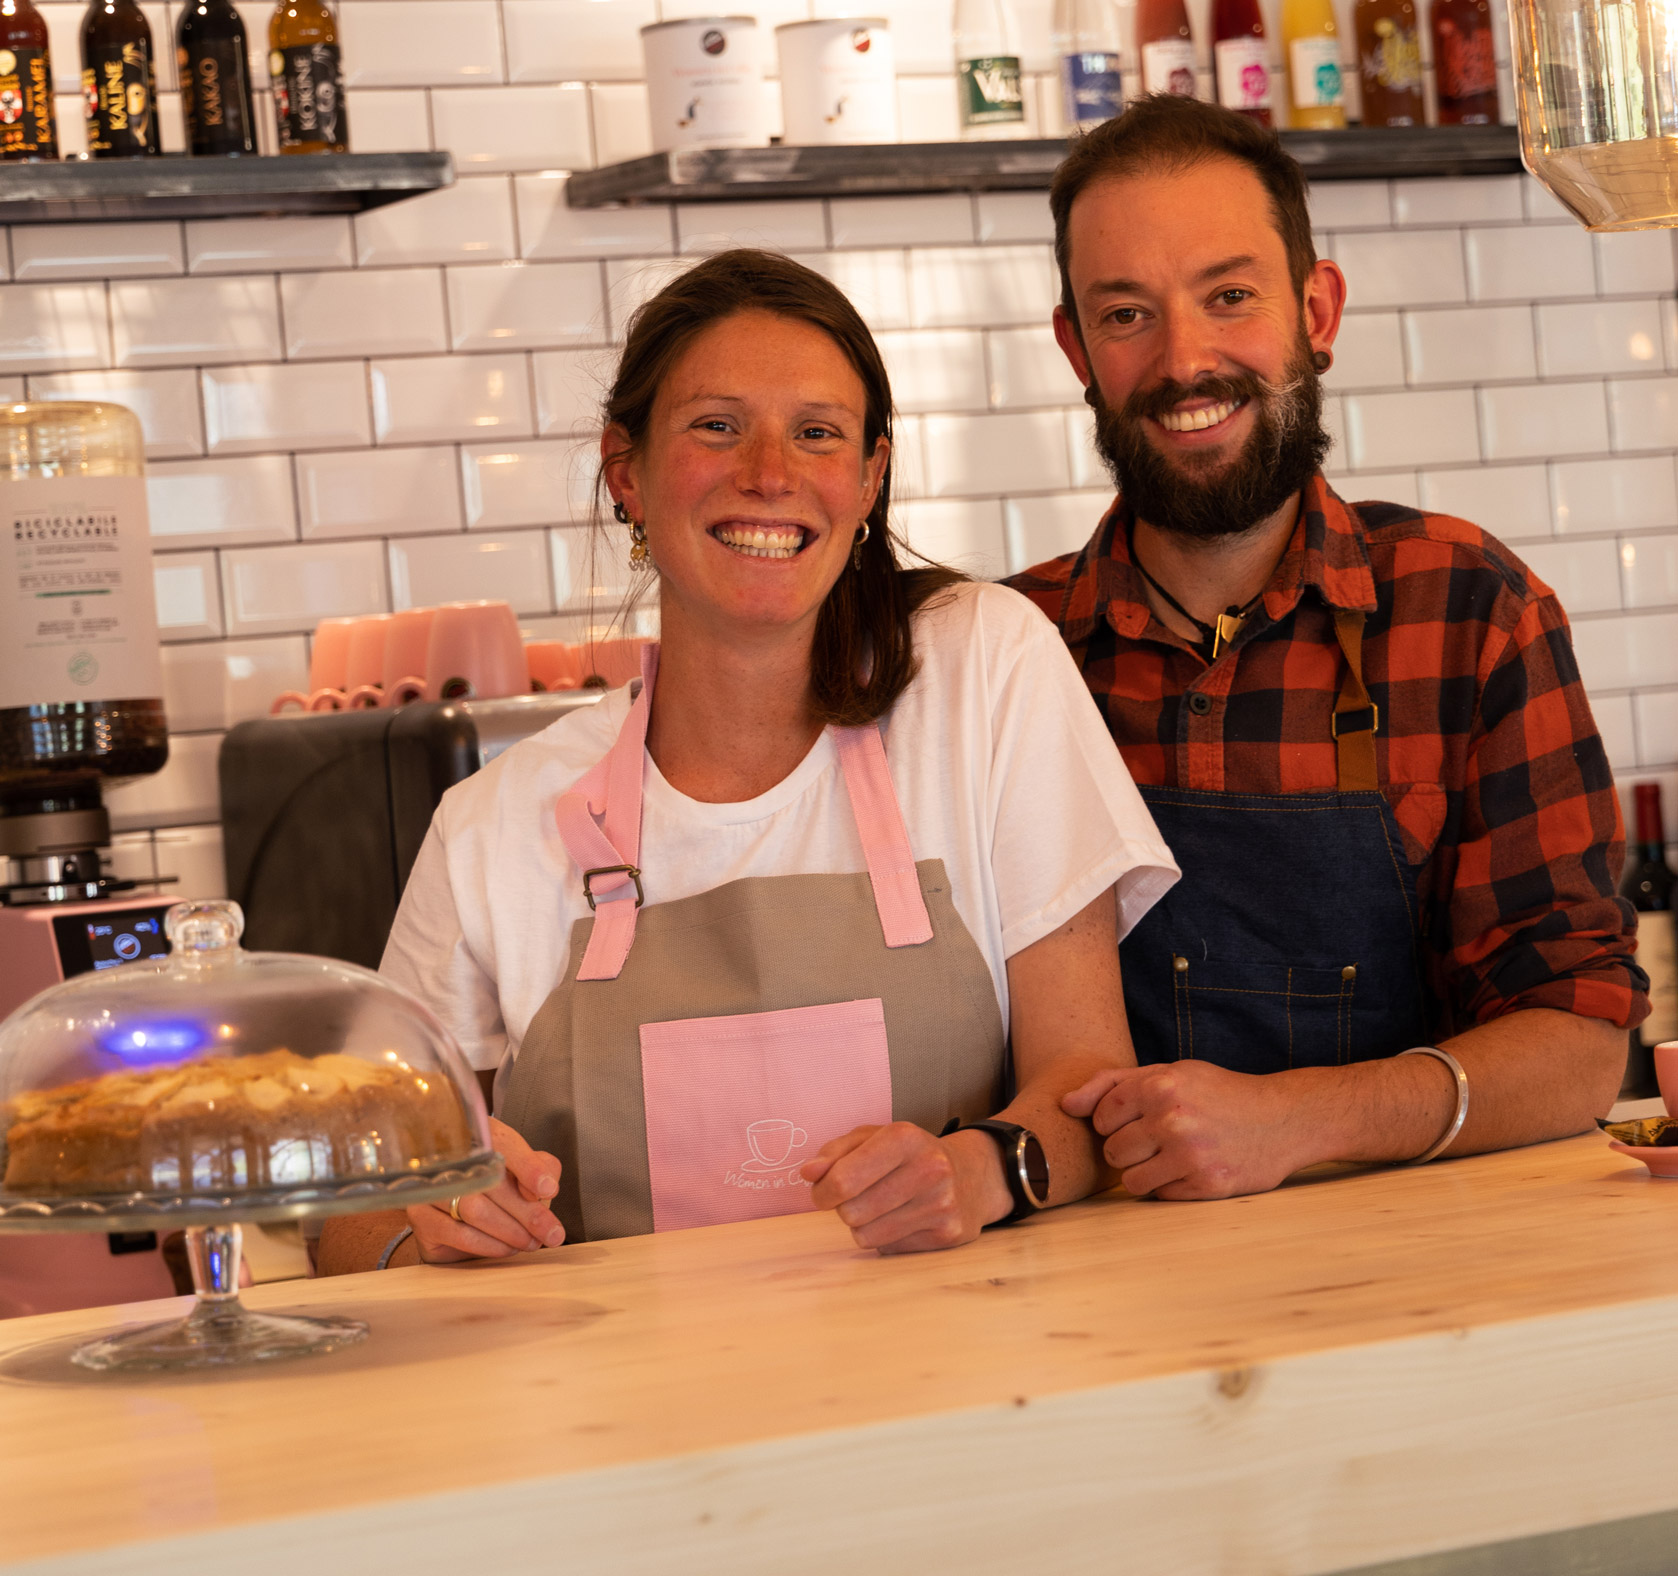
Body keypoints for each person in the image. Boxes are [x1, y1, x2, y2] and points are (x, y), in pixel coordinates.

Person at [317, 249, 1177, 1272]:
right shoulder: (492, 824)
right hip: (627, 1413)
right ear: (625, 473)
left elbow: (1088, 1083)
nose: (768, 473)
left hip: (968, 1391)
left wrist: (981, 1169)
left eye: (816, 433)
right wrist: (436, 1220)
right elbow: (345, 1215)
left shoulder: (983, 668)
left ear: (868, 479)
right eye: (716, 426)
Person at [1007, 96, 1644, 1201]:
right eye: (1125, 314)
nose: (1183, 359)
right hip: (1093, 1312)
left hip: (1423, 1301)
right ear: (1075, 348)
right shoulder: (1010, 657)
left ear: (1316, 308)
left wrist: (1300, 1119)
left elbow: (1580, 1041)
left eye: (1230, 296)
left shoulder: (1472, 612)